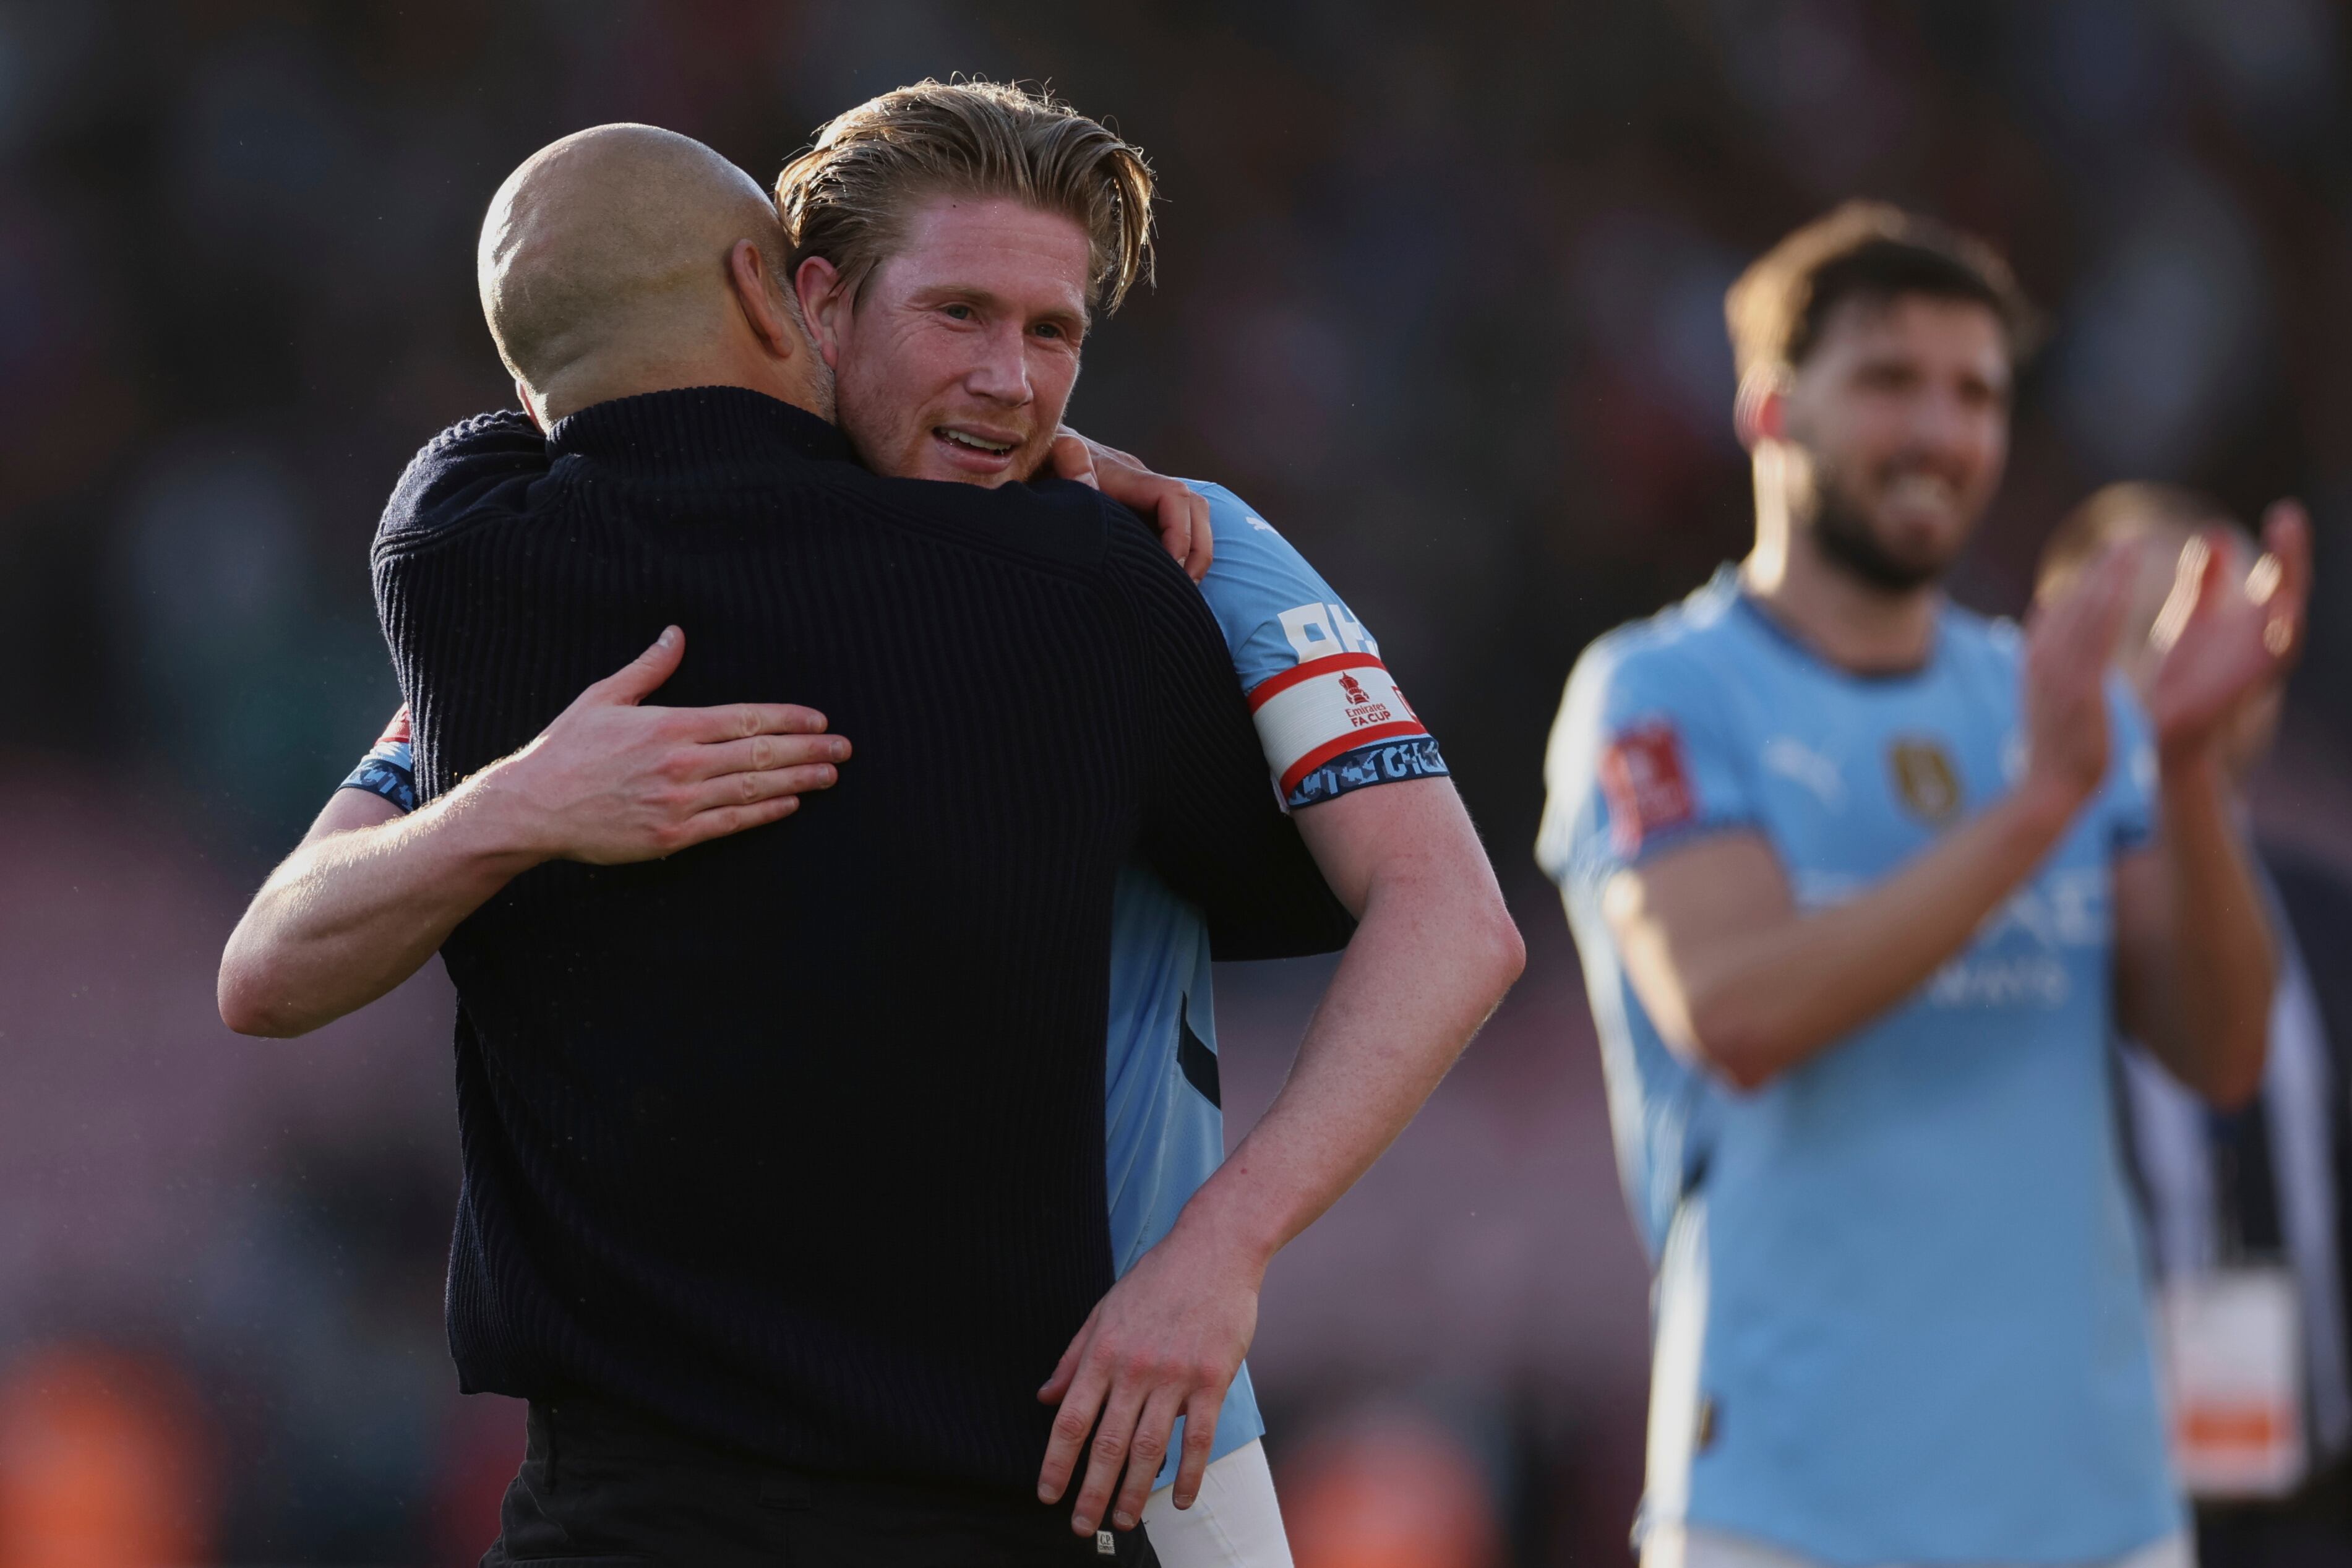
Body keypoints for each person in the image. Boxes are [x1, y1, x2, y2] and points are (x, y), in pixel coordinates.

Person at [223, 89, 1522, 1566]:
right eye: (959, 314)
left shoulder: (1181, 555)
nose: (1009, 381)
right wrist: (506, 808)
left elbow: (1453, 917)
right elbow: (270, 956)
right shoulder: (604, 632)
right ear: (805, 305)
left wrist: (1221, 1252)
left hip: (1137, 1431)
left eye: (1053, 335)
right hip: (737, 1473)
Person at [1535, 202, 2310, 1568]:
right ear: (1770, 409)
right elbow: (1737, 1010)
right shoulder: (1659, 691)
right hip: (1787, 1502)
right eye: (1888, 380)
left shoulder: (2043, 696)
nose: (1940, 432)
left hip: (2095, 1509)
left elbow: (2220, 1046)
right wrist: (2035, 814)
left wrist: (2180, 769)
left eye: (1976, 394)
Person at [2042, 484, 2352, 1568]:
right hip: (2072, 1520)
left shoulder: (2332, 923)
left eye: (2224, 617)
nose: (2188, 656)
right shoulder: (2002, 934)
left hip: (2314, 1509)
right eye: (2146, 626)